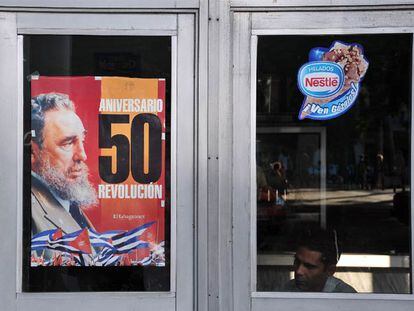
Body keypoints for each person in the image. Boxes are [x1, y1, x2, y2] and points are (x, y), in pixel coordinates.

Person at [31, 93, 97, 236]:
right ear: (32, 152)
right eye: (68, 143)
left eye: (82, 141)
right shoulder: (26, 212)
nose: (82, 155)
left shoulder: (68, 204)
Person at [284, 228, 357, 293]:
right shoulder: (287, 290)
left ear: (330, 270)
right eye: (297, 262)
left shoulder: (346, 298)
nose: (299, 271)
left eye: (309, 266)